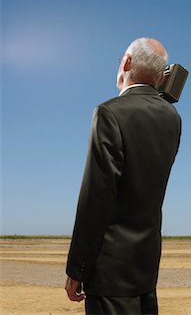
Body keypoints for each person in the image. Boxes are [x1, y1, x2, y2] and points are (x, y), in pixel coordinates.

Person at [65, 38, 182, 315]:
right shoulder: (172, 117)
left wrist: (77, 268)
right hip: (145, 267)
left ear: (127, 62)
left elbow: (96, 197)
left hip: (109, 273)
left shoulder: (109, 113)